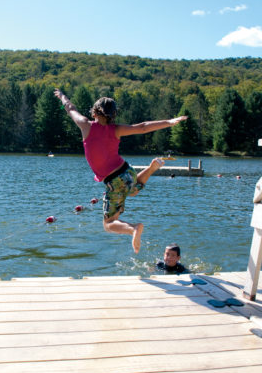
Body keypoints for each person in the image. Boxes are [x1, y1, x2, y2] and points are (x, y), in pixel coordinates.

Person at [54, 89, 187, 253]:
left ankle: (134, 229)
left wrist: (62, 96)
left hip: (114, 180)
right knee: (131, 190)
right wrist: (169, 121)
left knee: (109, 224)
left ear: (94, 111)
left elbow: (70, 108)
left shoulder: (85, 124)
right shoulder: (116, 129)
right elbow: (143, 127)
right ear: (113, 114)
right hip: (127, 171)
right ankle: (151, 168)